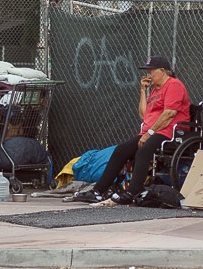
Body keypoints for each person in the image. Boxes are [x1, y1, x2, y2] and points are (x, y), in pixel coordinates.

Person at [73, 55, 191, 205]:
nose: (148, 75)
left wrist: (149, 133)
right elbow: (144, 115)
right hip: (151, 131)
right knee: (121, 150)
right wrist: (143, 91)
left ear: (162, 71)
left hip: (169, 132)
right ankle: (97, 192)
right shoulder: (154, 90)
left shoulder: (174, 85)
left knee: (143, 150)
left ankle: (132, 191)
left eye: (151, 72)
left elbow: (169, 114)